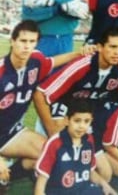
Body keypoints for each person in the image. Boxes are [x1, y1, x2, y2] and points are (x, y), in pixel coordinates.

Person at [33, 27, 118, 181]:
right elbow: (40, 93)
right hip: (63, 110)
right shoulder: (83, 65)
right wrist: (53, 135)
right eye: (113, 46)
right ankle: (50, 174)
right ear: (100, 47)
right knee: (93, 168)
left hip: (89, 116)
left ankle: (76, 170)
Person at [0, 20, 90, 188]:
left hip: (11, 132)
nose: (27, 46)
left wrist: (79, 54)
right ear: (12, 41)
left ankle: (6, 178)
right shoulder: (1, 73)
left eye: (32, 42)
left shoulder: (35, 61)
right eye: (23, 41)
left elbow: (53, 62)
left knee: (50, 153)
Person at [35, 98, 117, 195]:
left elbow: (89, 171)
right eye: (77, 121)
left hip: (84, 190)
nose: (82, 126)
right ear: (67, 120)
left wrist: (105, 185)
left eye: (86, 121)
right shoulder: (55, 143)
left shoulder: (89, 140)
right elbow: (41, 182)